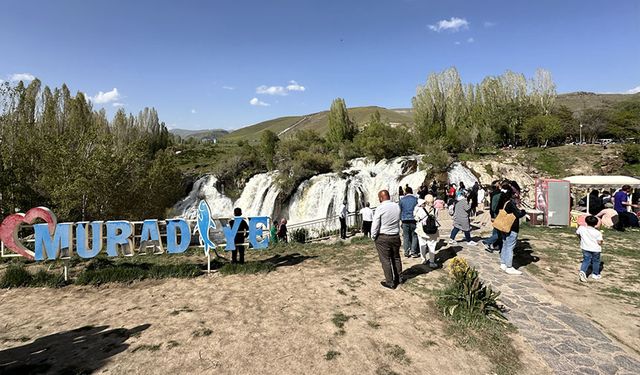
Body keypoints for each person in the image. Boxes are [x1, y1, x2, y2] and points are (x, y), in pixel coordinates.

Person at [371, 190, 403, 290]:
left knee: (385, 260)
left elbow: (375, 224)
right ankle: (399, 278)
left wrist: (373, 236)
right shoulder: (396, 206)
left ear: (381, 198)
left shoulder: (380, 208)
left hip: (383, 237)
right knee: (396, 258)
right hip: (395, 235)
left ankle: (390, 282)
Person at [496, 186, 527, 275]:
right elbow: (518, 214)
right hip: (511, 228)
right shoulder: (511, 203)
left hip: (504, 227)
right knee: (510, 247)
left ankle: (503, 263)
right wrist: (523, 211)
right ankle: (509, 266)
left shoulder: (505, 202)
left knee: (505, 245)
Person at [414, 194, 439, 268]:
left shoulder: (420, 209)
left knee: (422, 245)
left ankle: (423, 259)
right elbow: (436, 218)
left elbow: (416, 218)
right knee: (432, 246)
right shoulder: (435, 210)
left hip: (422, 230)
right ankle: (432, 262)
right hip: (432, 231)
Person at [577, 215, 604, 282]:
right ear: (596, 224)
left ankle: (582, 271)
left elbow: (577, 234)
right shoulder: (598, 233)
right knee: (596, 261)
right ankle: (595, 274)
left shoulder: (581, 228)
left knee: (586, 260)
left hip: (585, 247)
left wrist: (580, 239)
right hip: (595, 249)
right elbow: (599, 242)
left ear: (586, 222)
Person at [483, 182, 504, 253]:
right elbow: (495, 206)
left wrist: (492, 215)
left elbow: (492, 206)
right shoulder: (499, 194)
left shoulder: (493, 194)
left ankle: (494, 244)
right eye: (499, 185)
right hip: (499, 214)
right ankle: (488, 241)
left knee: (496, 230)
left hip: (495, 214)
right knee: (501, 232)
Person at [399, 186, 420, 257]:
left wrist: (400, 220)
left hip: (404, 220)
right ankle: (413, 251)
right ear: (411, 192)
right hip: (413, 220)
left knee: (406, 236)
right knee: (414, 235)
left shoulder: (402, 200)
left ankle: (406, 252)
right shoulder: (416, 199)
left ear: (406, 192)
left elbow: (400, 210)